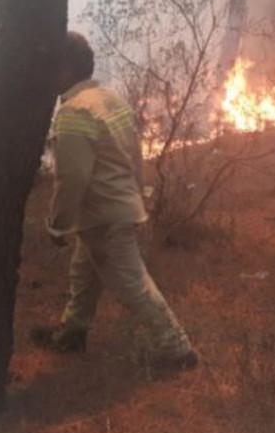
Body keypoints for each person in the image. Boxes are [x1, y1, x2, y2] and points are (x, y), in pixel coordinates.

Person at [31, 32, 197, 371]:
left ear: (65, 70)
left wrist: (57, 224)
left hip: (103, 216)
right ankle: (72, 334)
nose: (45, 75)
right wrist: (138, 193)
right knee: (84, 273)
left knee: (131, 283)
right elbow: (135, 156)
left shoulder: (74, 112)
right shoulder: (110, 98)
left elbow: (73, 178)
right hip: (118, 206)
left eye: (51, 68)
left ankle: (177, 349)